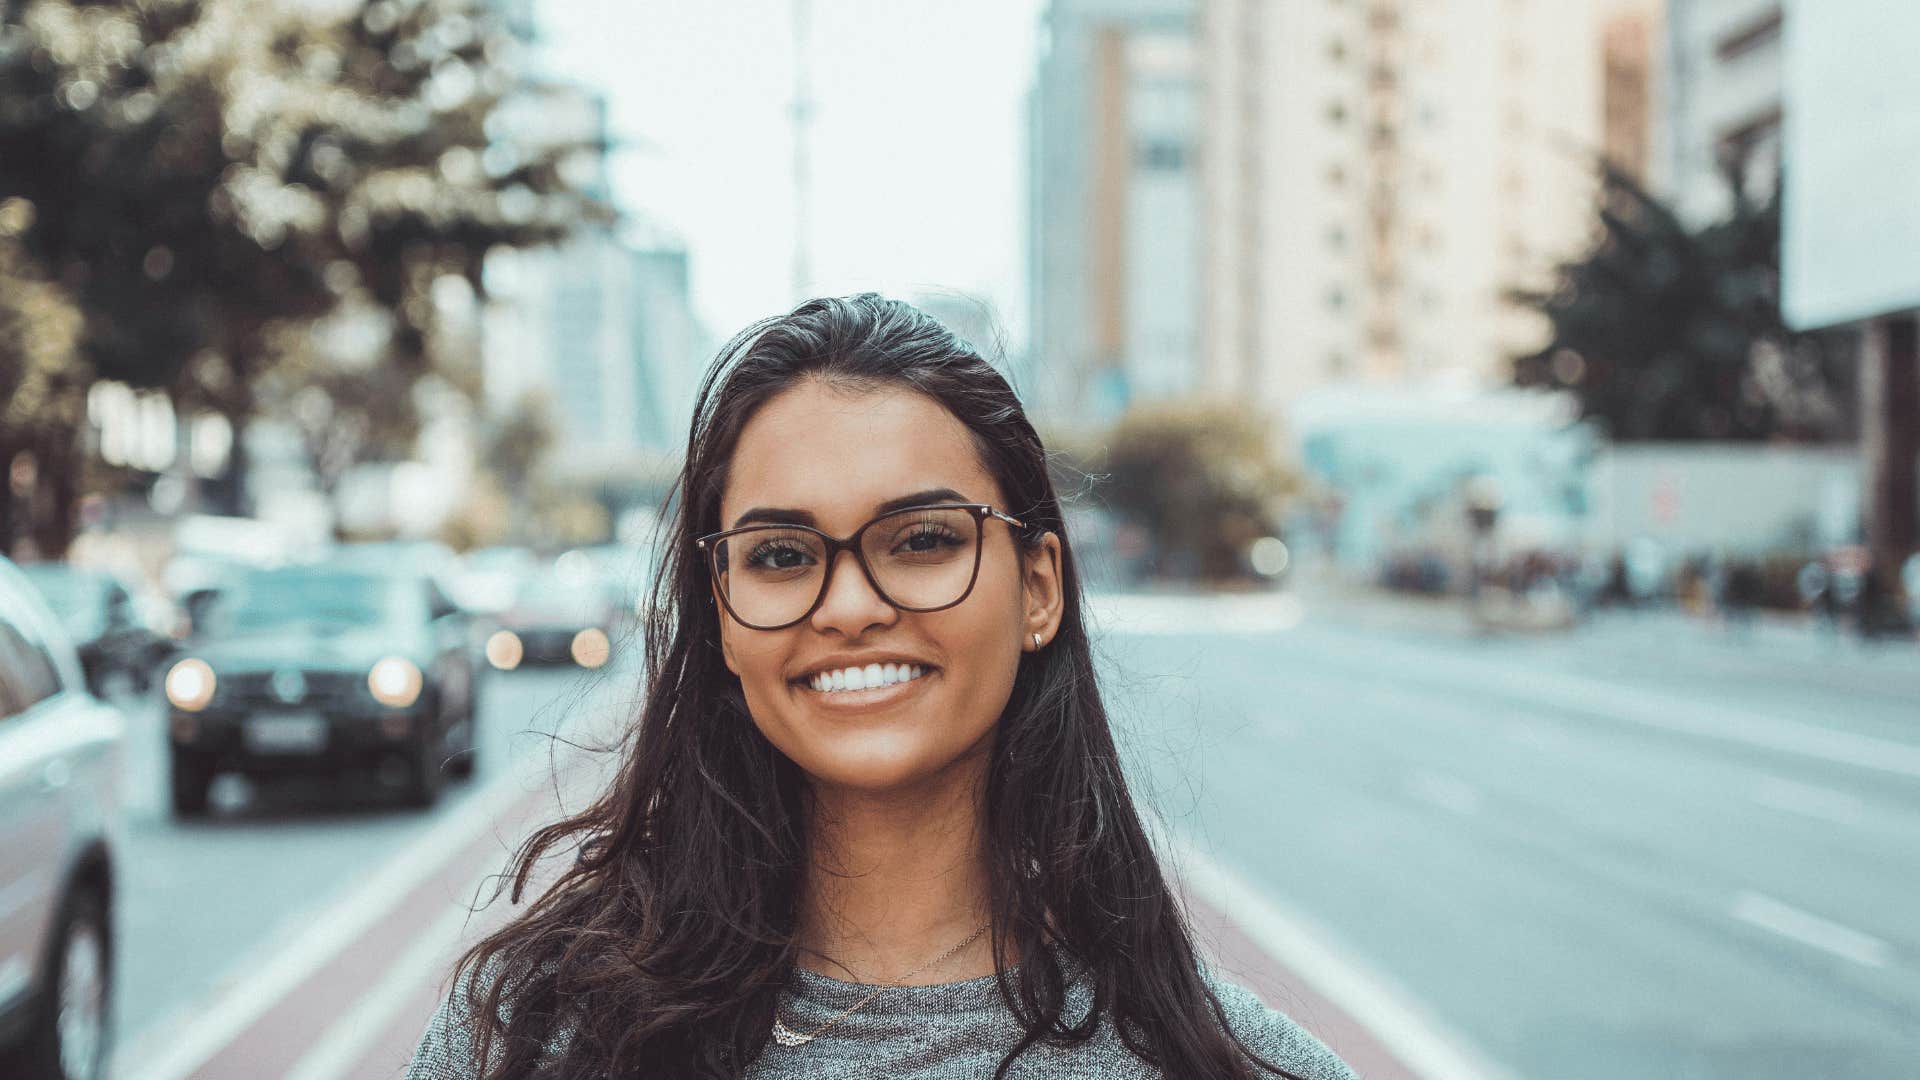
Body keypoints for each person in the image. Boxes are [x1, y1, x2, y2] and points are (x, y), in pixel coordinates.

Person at [405, 295, 1359, 1079]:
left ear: (1038, 589)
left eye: (924, 540)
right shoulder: (525, 1042)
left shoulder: (1235, 1067)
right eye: (782, 554)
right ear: (724, 614)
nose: (851, 606)